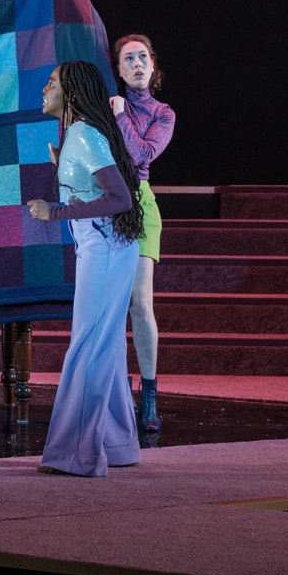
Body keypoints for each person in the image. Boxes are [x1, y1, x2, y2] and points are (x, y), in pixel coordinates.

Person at [26, 60, 144, 477]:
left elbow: (120, 199)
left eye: (52, 83)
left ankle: (77, 454)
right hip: (106, 246)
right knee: (104, 346)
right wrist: (64, 165)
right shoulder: (80, 135)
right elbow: (98, 189)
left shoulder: (82, 134)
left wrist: (54, 210)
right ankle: (116, 444)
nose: (45, 89)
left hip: (105, 247)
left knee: (90, 345)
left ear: (71, 94)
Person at [109, 34, 175, 432]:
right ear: (118, 69)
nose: (137, 63)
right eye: (129, 58)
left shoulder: (163, 113)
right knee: (110, 306)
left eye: (143, 57)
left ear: (153, 66)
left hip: (140, 202)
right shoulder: (107, 104)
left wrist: (120, 117)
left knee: (140, 303)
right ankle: (114, 390)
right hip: (107, 201)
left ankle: (148, 394)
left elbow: (142, 155)